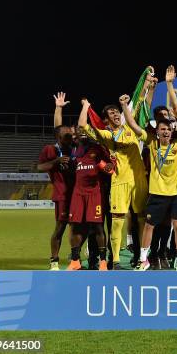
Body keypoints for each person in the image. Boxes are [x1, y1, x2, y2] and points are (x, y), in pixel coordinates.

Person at [120, 93, 177, 270]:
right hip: (157, 194)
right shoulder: (152, 143)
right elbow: (133, 125)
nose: (166, 131)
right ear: (157, 131)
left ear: (172, 131)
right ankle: (143, 259)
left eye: (168, 129)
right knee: (149, 226)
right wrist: (124, 106)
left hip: (176, 194)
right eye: (162, 129)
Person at [78, 69, 154, 270]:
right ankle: (117, 261)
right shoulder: (105, 135)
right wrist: (86, 106)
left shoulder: (130, 126)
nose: (116, 115)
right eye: (111, 113)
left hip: (138, 179)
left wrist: (146, 82)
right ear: (106, 119)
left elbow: (138, 102)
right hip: (119, 181)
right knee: (118, 220)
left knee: (140, 219)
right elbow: (82, 125)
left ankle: (141, 256)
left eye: (117, 112)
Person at [66, 100, 115, 270]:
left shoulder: (96, 148)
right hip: (78, 194)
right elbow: (58, 129)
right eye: (79, 131)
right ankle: (75, 260)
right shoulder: (72, 151)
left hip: (96, 193)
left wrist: (107, 167)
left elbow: (107, 166)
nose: (83, 132)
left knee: (98, 227)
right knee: (75, 227)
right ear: (74, 135)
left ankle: (103, 261)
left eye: (84, 130)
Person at [38, 93, 75, 270]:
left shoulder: (75, 149)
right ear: (59, 137)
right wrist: (55, 162)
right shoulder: (51, 149)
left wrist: (59, 108)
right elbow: (40, 167)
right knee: (60, 228)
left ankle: (75, 259)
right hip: (62, 195)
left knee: (78, 228)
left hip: (79, 194)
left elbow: (60, 128)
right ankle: (54, 261)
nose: (71, 136)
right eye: (67, 135)